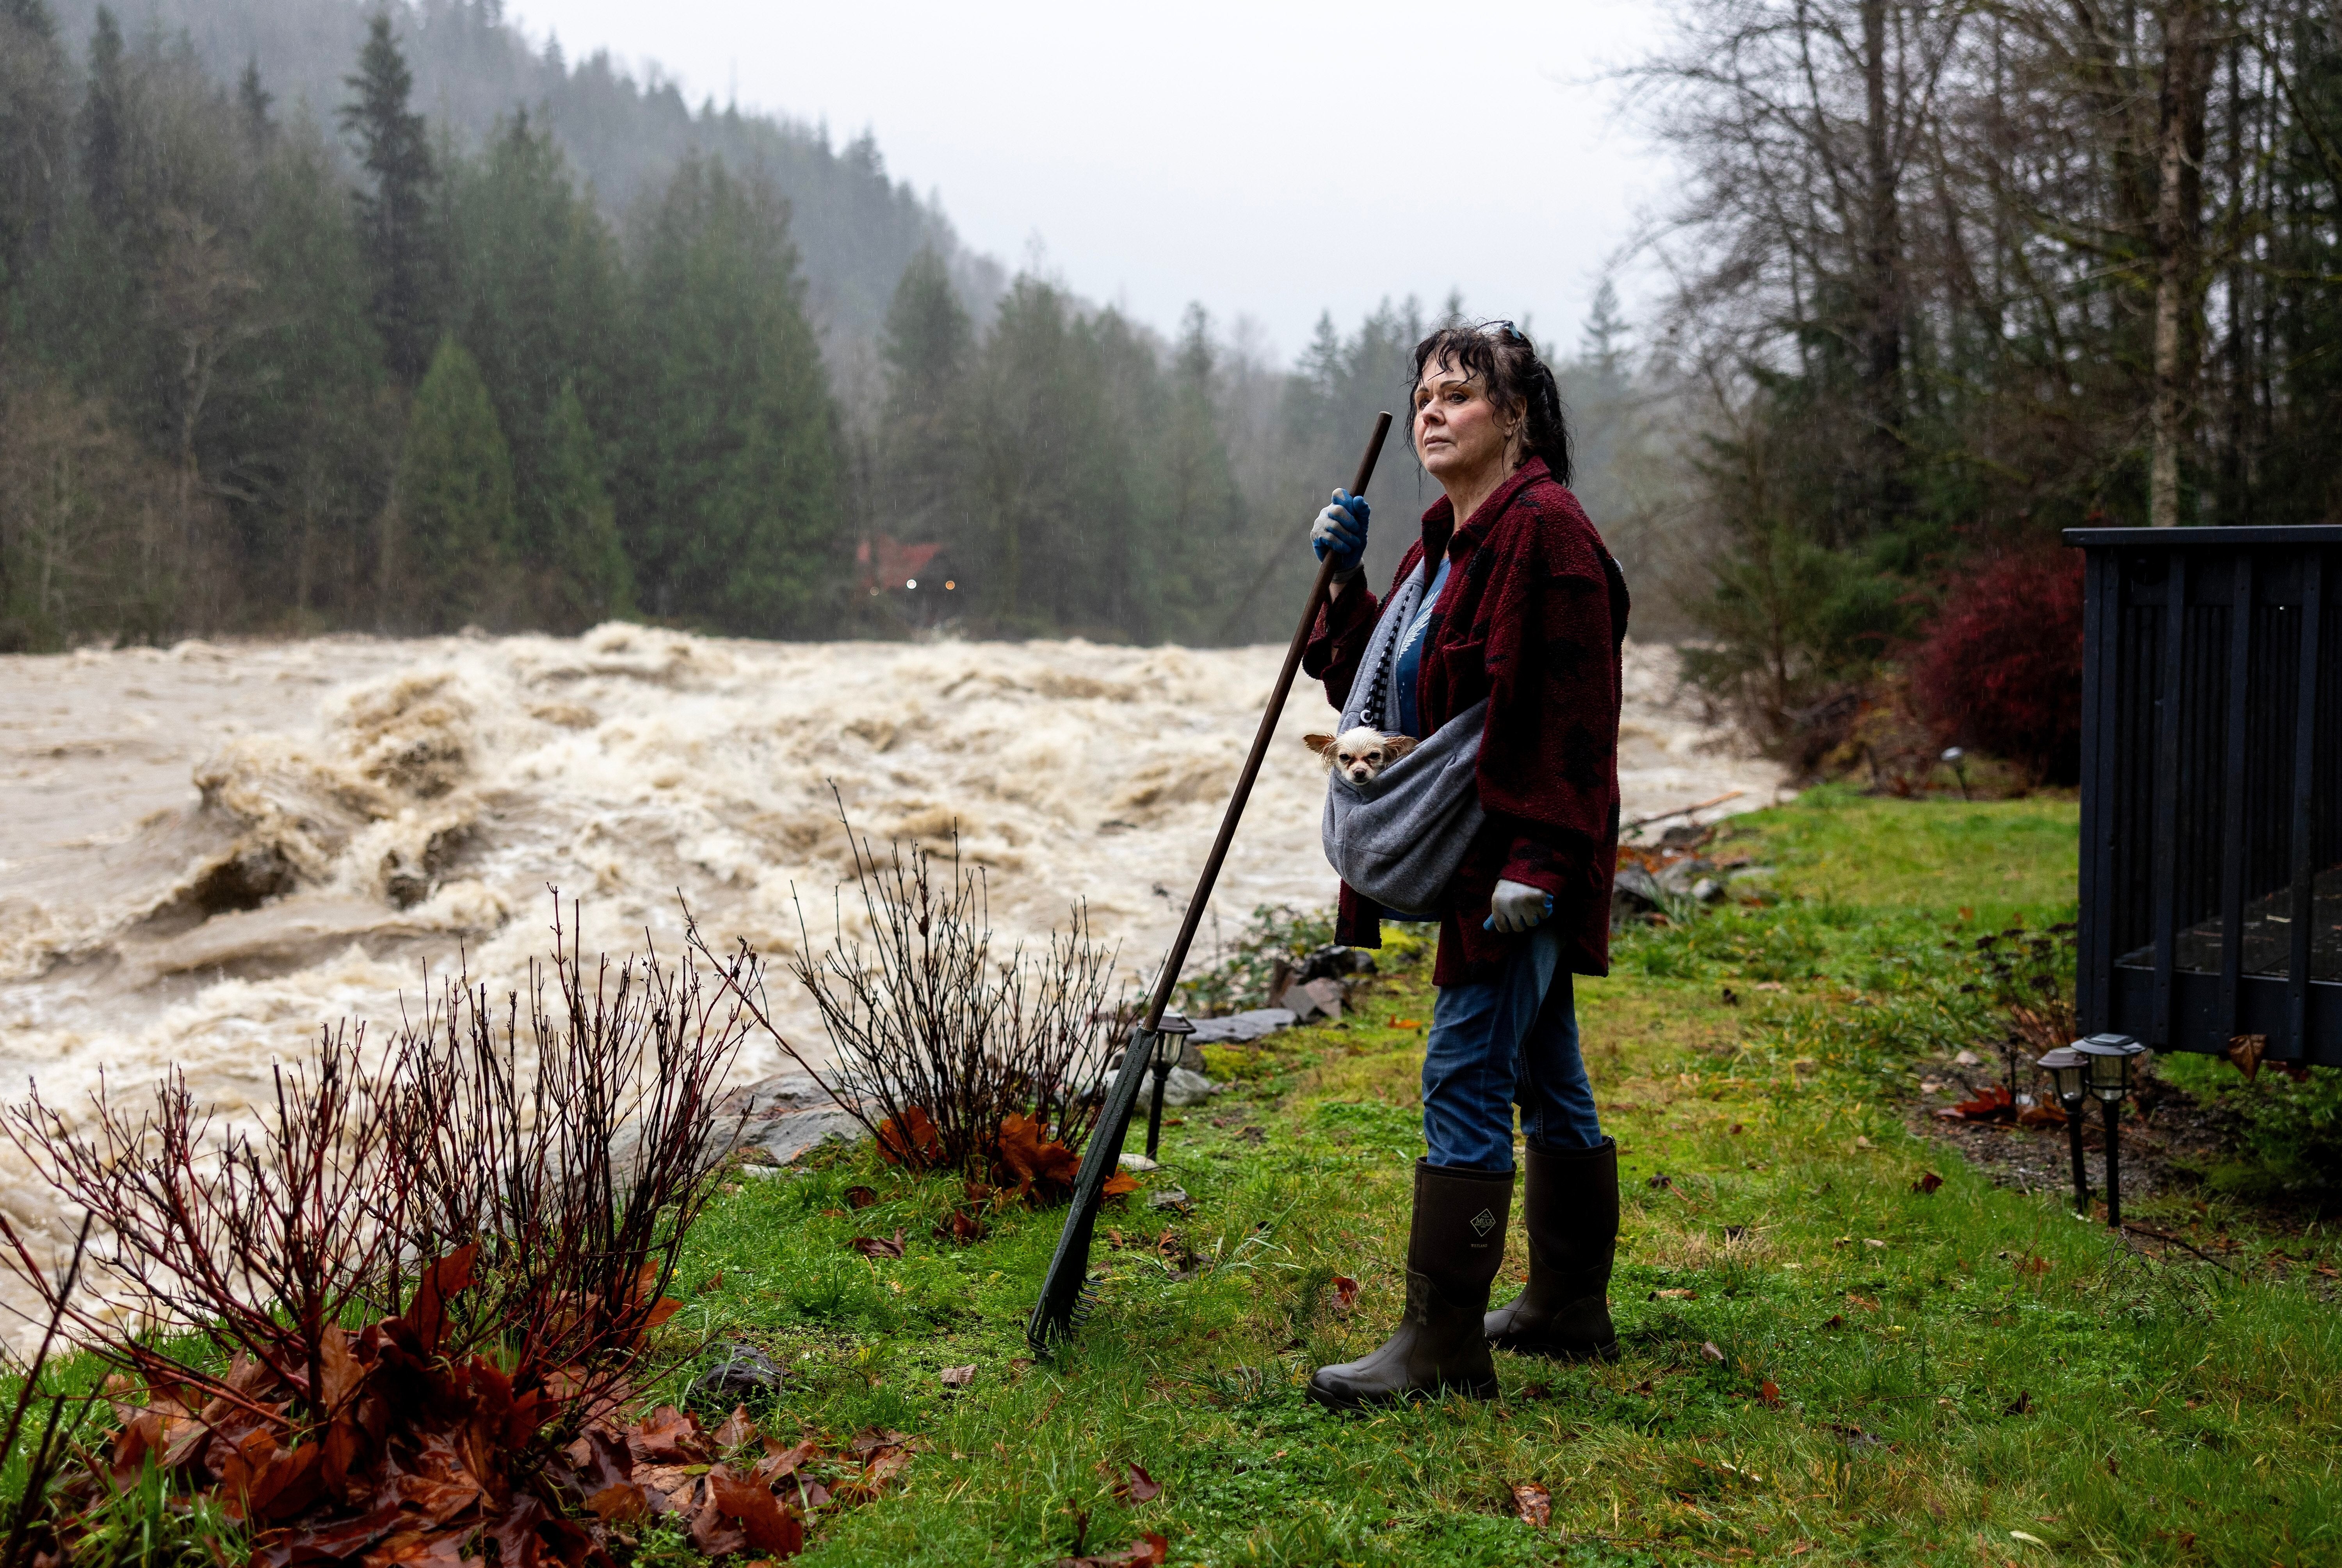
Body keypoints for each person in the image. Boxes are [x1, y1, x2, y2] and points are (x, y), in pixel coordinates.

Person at [1300, 322, 1628, 1410]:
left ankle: (1441, 1343)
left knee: (1466, 1068)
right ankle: (1568, 1307)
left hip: (1517, 862)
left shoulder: (1551, 537)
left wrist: (1540, 863)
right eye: (1424, 395)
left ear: (1517, 415)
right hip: (1490, 851)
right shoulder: (1442, 544)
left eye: (1461, 394)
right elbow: (1369, 695)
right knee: (1546, 1069)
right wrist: (1345, 578)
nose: (1434, 411)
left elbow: (1578, 718)